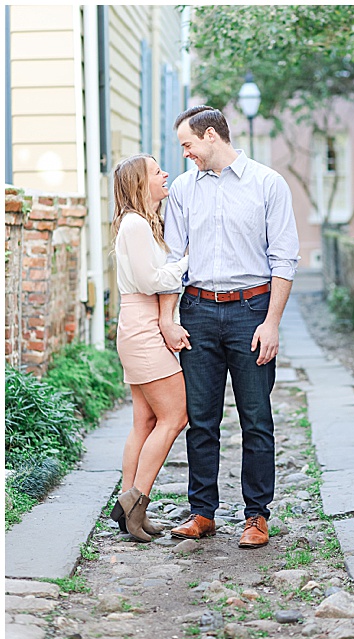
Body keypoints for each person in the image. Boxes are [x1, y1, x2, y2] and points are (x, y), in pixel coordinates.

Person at [158, 106, 300, 549]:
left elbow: (284, 259)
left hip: (251, 311)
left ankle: (256, 516)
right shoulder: (182, 190)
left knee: (256, 418)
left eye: (188, 145)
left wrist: (271, 323)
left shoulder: (267, 184)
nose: (185, 155)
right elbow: (172, 259)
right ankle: (202, 511)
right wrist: (168, 316)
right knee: (202, 419)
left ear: (213, 136)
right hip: (198, 311)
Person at [109, 154, 190, 543]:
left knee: (144, 420)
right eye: (157, 171)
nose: (165, 174)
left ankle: (129, 508)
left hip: (136, 325)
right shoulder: (136, 225)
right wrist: (185, 263)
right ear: (141, 183)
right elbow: (150, 279)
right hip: (142, 328)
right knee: (175, 416)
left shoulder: (140, 224)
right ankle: (135, 502)